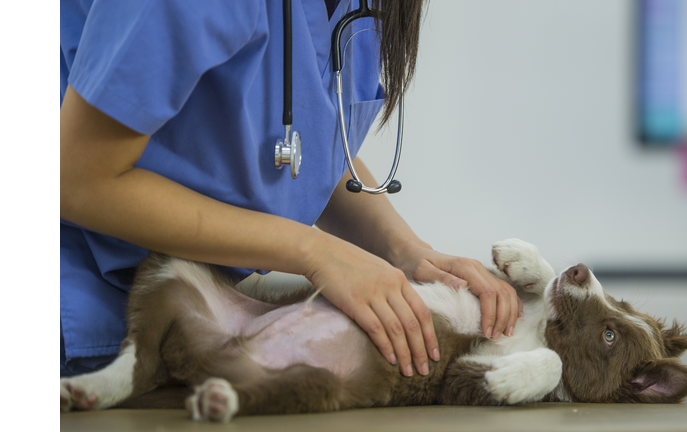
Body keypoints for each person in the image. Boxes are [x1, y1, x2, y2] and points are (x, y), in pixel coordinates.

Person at [60, 0, 521, 380]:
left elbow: (299, 144)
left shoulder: (359, 9)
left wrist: (404, 250)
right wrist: (313, 251)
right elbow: (76, 178)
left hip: (193, 326)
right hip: (73, 310)